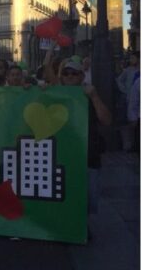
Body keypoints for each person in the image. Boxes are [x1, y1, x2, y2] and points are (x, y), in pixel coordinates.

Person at [57, 59, 111, 218]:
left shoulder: (90, 94)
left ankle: (81, 226)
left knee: (89, 197)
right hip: (63, 156)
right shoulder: (55, 93)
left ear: (82, 76)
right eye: (66, 73)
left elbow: (107, 120)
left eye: (74, 73)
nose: (70, 76)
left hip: (88, 154)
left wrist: (94, 97)